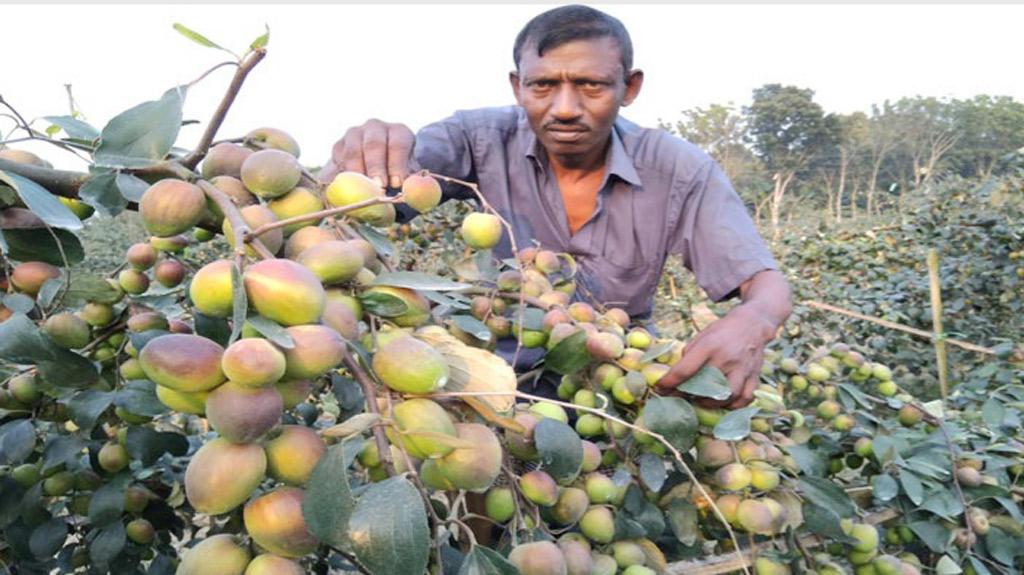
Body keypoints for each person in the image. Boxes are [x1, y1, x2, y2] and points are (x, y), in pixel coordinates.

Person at [319, 4, 792, 408]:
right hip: (494, 373)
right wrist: (372, 159)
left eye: (591, 86)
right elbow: (382, 190)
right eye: (543, 85)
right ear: (517, 86)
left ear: (629, 88)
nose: (564, 107)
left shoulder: (678, 169)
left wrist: (757, 319)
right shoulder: (478, 138)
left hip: (610, 379)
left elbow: (763, 281)